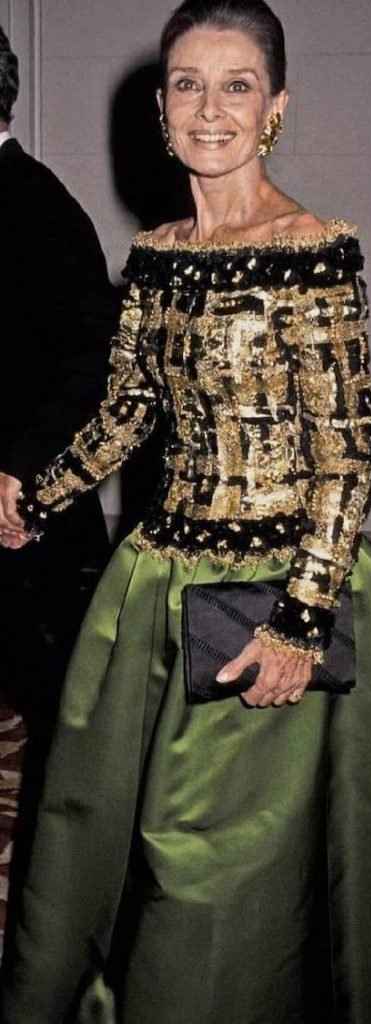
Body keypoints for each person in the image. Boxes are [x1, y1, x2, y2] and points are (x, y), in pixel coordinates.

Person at [0, 2, 371, 1021]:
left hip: (268, 599)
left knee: (209, 875)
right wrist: (32, 495)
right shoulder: (156, 255)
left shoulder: (314, 251)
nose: (209, 108)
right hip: (155, 584)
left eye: (236, 85)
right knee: (105, 843)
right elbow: (128, 413)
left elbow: (348, 456)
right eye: (188, 83)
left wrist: (300, 621)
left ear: (275, 107)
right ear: (161, 105)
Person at [0, 25, 115, 753]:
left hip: (22, 502)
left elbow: (90, 362)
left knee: (59, 719)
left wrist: (21, 474)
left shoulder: (38, 206)